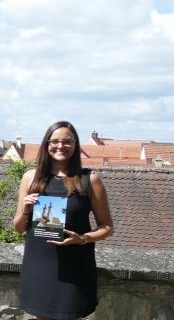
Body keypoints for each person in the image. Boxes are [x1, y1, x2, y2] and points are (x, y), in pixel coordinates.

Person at [13, 121, 114, 319]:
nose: (60, 146)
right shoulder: (30, 178)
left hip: (75, 267)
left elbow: (107, 227)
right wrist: (25, 210)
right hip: (39, 265)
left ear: (75, 145)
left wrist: (83, 238)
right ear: (47, 144)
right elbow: (19, 228)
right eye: (55, 141)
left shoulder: (89, 179)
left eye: (67, 141)